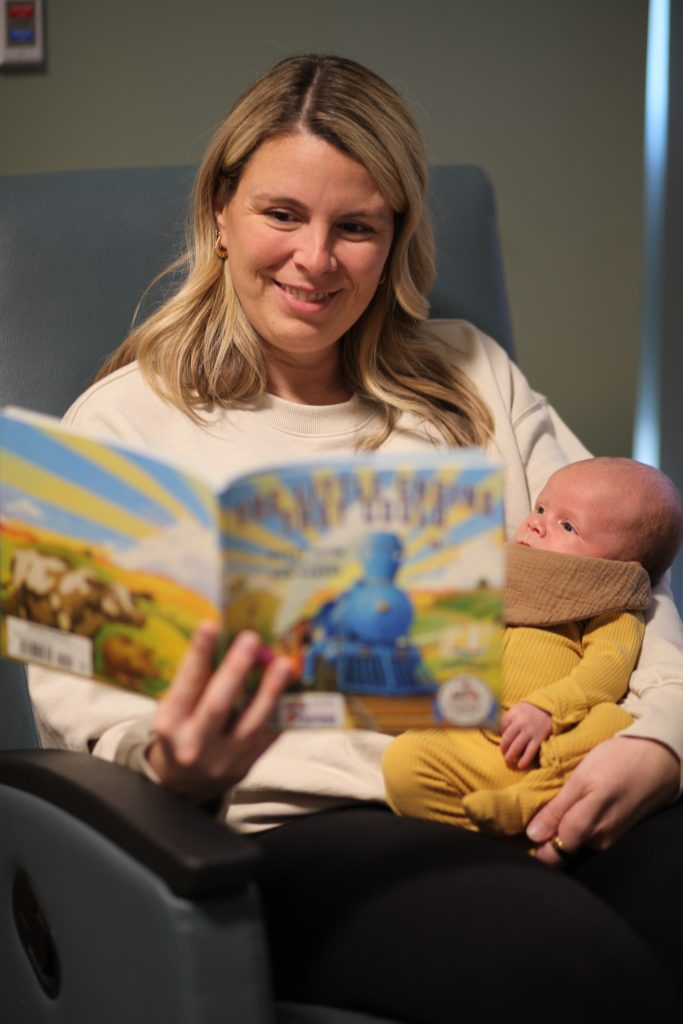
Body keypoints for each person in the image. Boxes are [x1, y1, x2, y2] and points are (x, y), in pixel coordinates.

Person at [27, 54, 683, 1022]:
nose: (314, 259)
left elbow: (629, 580)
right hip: (311, 827)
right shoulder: (118, 429)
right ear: (220, 209)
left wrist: (661, 744)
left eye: (356, 226)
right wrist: (180, 765)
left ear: (395, 238)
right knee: (575, 981)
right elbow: (77, 725)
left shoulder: (470, 377)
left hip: (555, 773)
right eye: (281, 214)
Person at [383, 456, 683, 838]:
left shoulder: (607, 601)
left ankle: (531, 802)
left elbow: (609, 666)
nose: (537, 523)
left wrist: (551, 709)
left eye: (567, 525)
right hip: (477, 739)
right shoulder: (499, 575)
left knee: (615, 722)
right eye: (540, 508)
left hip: (555, 739)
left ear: (618, 566)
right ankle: (503, 837)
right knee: (404, 762)